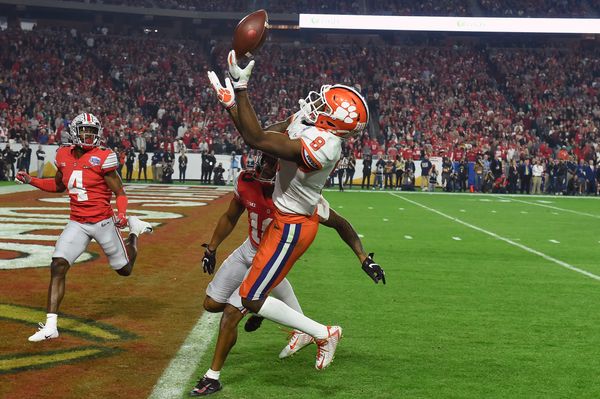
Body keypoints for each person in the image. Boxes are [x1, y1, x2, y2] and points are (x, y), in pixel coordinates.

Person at [207, 51, 383, 372]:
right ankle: (310, 332)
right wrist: (233, 105)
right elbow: (262, 135)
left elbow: (256, 137)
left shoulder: (325, 146)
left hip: (294, 226)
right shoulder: (313, 124)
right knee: (250, 297)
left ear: (336, 120)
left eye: (326, 106)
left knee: (250, 300)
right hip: (286, 220)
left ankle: (322, 332)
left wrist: (241, 91)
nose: (317, 105)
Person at [192, 151, 383, 396]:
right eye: (265, 161)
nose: (267, 168)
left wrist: (363, 257)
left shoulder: (298, 196)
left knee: (230, 314)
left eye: (274, 164)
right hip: (249, 248)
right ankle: (261, 307)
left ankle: (212, 377)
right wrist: (212, 248)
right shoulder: (245, 181)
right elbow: (230, 217)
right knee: (211, 304)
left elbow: (340, 223)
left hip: (271, 259)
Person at [14, 113, 153, 342]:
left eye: (92, 131)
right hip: (77, 222)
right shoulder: (62, 155)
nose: (89, 135)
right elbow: (58, 185)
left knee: (124, 270)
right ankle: (51, 326)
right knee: (58, 264)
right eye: (84, 131)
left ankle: (135, 232)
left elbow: (120, 193)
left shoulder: (103, 157)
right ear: (74, 133)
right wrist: (31, 180)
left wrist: (122, 214)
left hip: (103, 222)